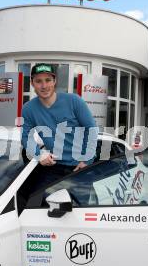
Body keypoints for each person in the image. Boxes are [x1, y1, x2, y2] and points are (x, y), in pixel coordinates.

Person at [21, 63, 98, 191]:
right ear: (32, 83)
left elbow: (92, 129)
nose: (44, 86)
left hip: (79, 167)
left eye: (48, 80)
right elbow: (25, 137)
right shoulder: (28, 109)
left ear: (55, 81)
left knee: (79, 208)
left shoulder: (74, 101)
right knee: (39, 205)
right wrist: (39, 154)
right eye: (39, 81)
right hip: (53, 167)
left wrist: (87, 160)